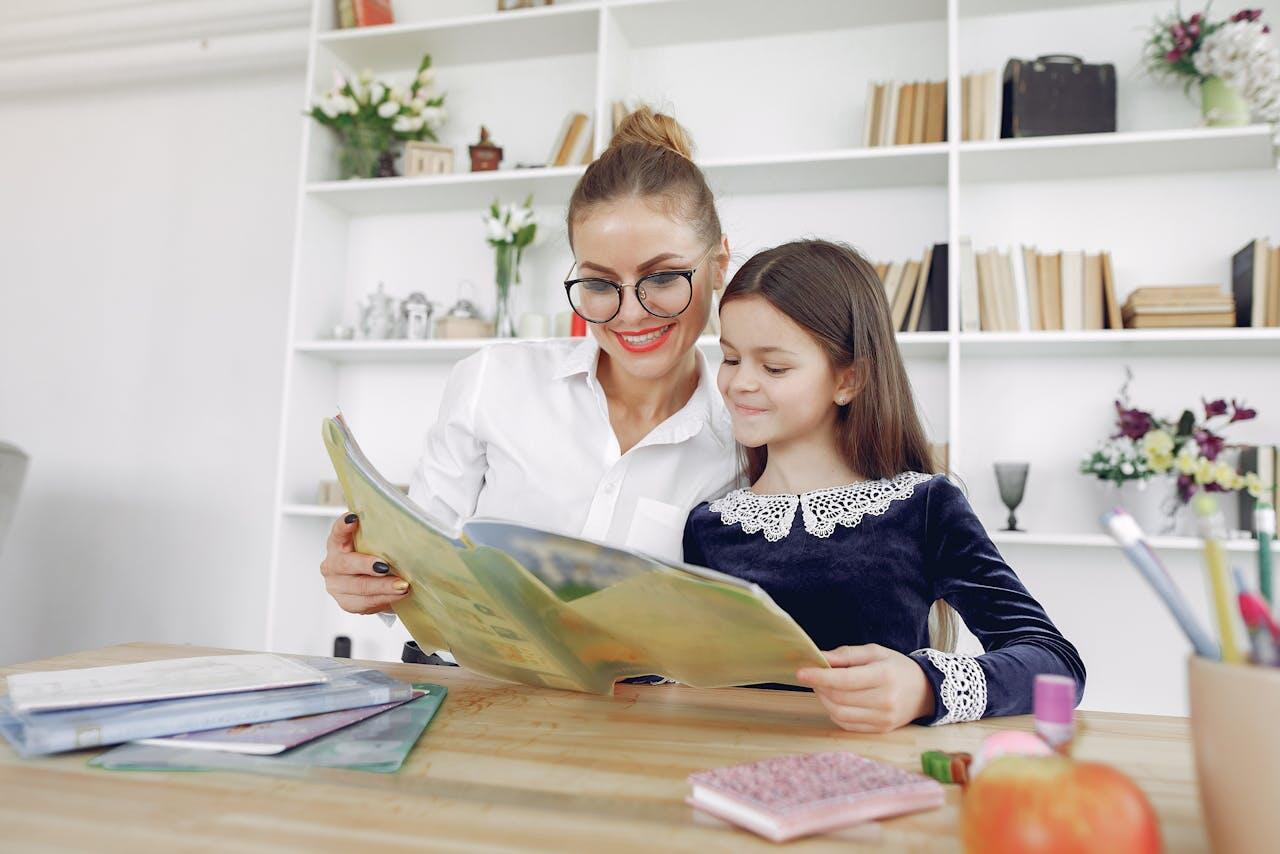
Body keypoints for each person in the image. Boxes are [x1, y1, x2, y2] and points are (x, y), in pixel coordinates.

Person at [321, 107, 737, 620]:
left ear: (719, 265)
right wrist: (365, 581)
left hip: (638, 703)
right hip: (475, 689)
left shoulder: (744, 437)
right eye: (600, 284)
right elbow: (411, 571)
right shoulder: (492, 381)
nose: (630, 314)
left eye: (663, 278)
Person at [682, 239, 1085, 732]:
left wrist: (922, 686)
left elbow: (1055, 664)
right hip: (727, 781)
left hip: (879, 781)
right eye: (729, 358)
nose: (740, 383)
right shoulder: (707, 526)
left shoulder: (924, 507)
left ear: (849, 380)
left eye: (774, 367)